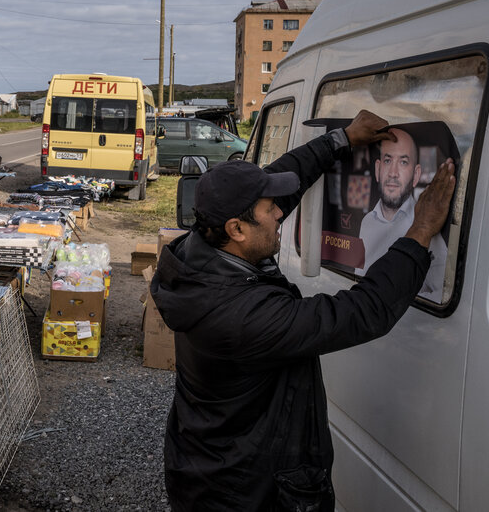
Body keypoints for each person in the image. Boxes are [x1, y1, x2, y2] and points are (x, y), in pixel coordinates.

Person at [150, 110, 455, 511]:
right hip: (242, 493)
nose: (280, 212)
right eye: (269, 209)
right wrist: (419, 231)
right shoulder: (241, 316)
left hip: (208, 464)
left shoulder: (203, 249)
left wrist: (340, 140)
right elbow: (361, 311)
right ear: (237, 230)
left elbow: (279, 182)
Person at [355, 127, 448, 302]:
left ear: (416, 174)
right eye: (388, 161)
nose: (393, 173)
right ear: (378, 169)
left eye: (403, 162)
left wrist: (394, 301)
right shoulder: (367, 222)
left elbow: (444, 294)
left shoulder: (426, 224)